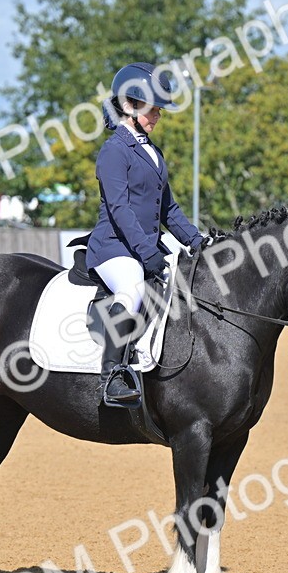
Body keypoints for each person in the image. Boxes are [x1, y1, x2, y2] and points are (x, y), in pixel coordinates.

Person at [86, 62, 208, 407]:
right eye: (153, 108)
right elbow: (120, 209)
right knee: (133, 287)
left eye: (159, 109)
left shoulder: (153, 152)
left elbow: (169, 210)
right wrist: (147, 251)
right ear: (130, 105)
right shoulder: (114, 150)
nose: (158, 115)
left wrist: (198, 241)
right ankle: (112, 376)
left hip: (143, 247)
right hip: (114, 248)